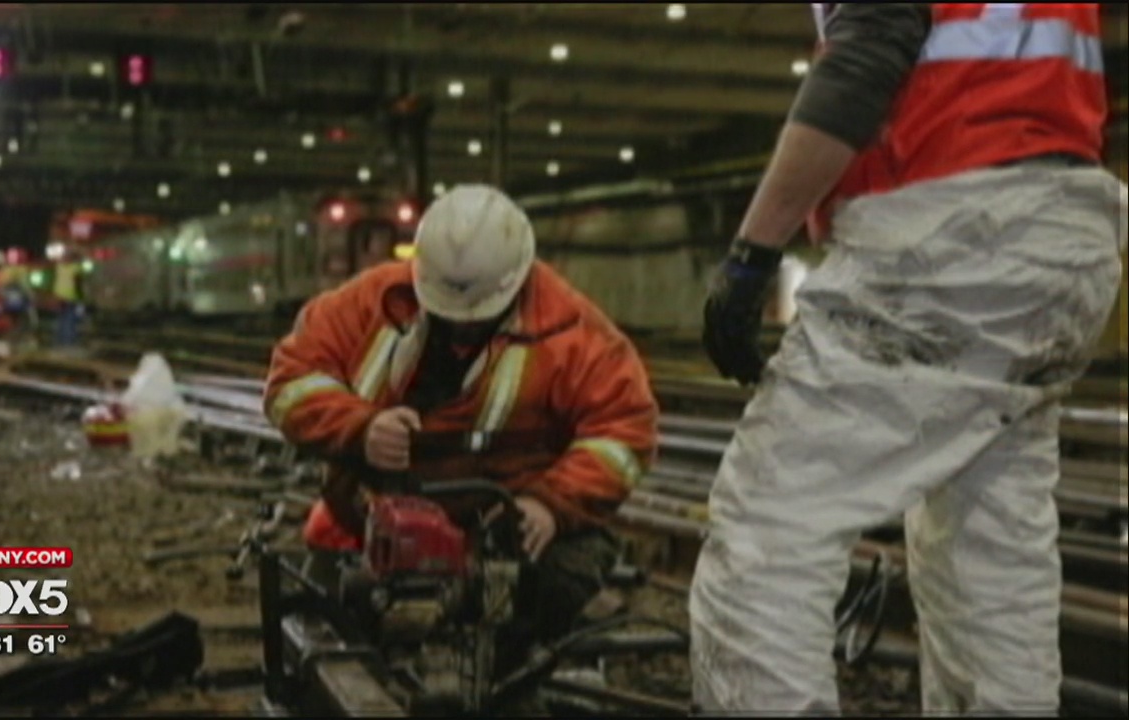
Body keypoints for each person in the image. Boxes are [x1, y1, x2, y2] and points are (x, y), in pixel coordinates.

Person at [690, 3, 1126, 715]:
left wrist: (751, 255)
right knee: (991, 558)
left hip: (953, 234)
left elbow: (866, 58)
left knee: (765, 535)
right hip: (1064, 241)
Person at [264, 184, 659, 676]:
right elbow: (290, 382)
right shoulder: (373, 302)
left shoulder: (573, 333)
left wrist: (551, 504)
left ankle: (510, 671)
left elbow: (624, 429)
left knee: (562, 574)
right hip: (367, 517)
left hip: (499, 526)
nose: (460, 330)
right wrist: (360, 429)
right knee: (323, 637)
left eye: (475, 318)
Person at [52, 250, 84, 348]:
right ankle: (68, 341)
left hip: (59, 296)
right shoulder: (76, 268)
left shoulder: (59, 267)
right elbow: (78, 282)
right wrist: (80, 296)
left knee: (61, 319)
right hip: (71, 296)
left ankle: (60, 340)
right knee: (70, 319)